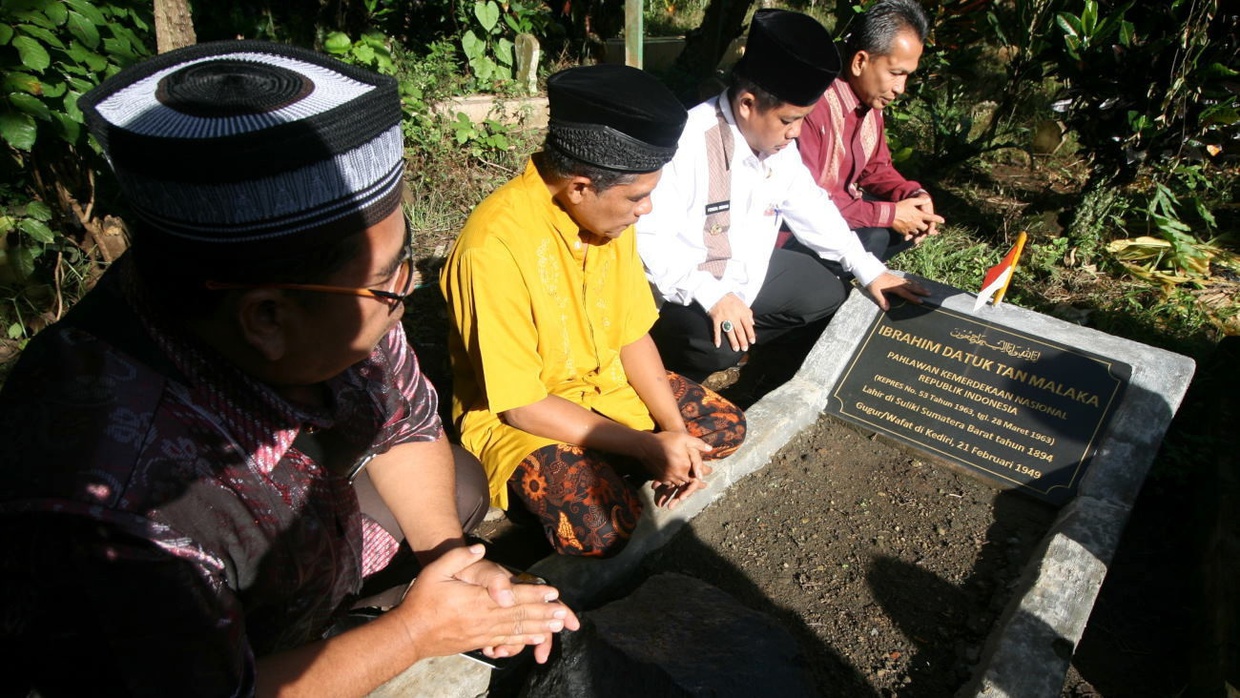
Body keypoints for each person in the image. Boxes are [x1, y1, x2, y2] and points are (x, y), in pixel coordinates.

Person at [0, 41, 577, 696]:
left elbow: (403, 421)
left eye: (405, 255)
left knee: (461, 489)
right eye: (389, 282)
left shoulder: (307, 301)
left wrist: (447, 563)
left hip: (265, 546)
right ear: (267, 319)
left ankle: (338, 626)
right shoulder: (125, 506)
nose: (406, 292)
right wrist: (413, 634)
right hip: (162, 654)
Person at [440, 64, 747, 559]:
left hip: (607, 386)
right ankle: (609, 464)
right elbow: (521, 404)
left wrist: (671, 431)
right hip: (524, 419)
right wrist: (647, 448)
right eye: (638, 196)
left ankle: (619, 457)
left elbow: (631, 338)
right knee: (604, 530)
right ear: (581, 186)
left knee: (723, 430)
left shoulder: (609, 219)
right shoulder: (492, 248)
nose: (645, 209)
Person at [636, 9, 928, 381]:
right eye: (789, 121)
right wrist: (712, 296)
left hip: (747, 276)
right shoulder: (688, 143)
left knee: (825, 291)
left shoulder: (775, 142)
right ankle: (673, 361)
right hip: (686, 292)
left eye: (802, 119)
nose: (796, 133)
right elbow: (648, 240)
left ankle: (743, 339)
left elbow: (810, 205)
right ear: (746, 104)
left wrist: (871, 271)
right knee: (715, 347)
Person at [798, 0, 944, 262]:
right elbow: (806, 203)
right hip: (800, 228)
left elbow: (877, 169)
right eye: (895, 73)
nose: (900, 87)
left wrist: (913, 196)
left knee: (900, 230)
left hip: (843, 215)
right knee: (875, 237)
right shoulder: (814, 106)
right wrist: (889, 214)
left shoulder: (870, 105)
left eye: (907, 75)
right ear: (860, 62)